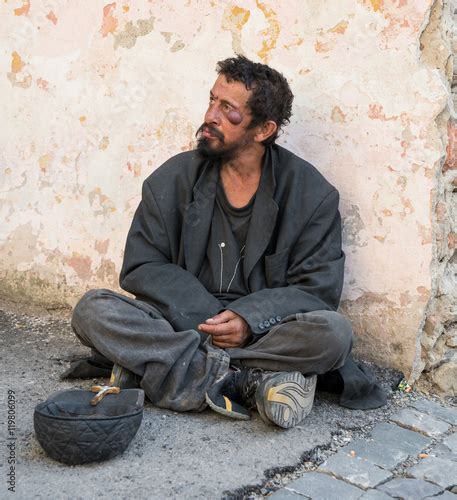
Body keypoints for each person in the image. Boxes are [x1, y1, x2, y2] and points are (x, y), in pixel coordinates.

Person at [66, 55, 386, 429]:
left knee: (333, 335)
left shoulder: (311, 195)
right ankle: (247, 382)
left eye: (227, 109)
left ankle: (163, 370)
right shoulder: (171, 180)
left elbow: (318, 289)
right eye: (212, 101)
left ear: (263, 130)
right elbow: (142, 266)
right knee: (92, 310)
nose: (211, 116)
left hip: (263, 332)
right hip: (183, 321)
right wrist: (206, 319)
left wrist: (248, 320)